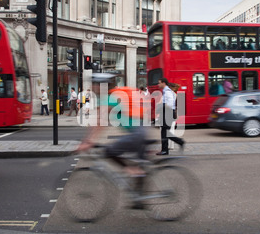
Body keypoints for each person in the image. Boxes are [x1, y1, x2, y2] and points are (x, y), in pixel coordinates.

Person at [77, 73, 150, 208]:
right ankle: (139, 199)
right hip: (142, 130)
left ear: (100, 85)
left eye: (93, 84)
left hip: (137, 134)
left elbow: (100, 122)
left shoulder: (109, 98)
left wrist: (88, 142)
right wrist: (89, 140)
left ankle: (131, 170)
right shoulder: (113, 96)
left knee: (109, 151)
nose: (91, 87)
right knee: (141, 166)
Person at [156, 77, 185, 155]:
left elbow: (169, 104)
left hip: (167, 113)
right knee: (165, 132)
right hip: (166, 113)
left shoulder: (168, 92)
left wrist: (161, 106)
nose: (158, 84)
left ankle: (166, 149)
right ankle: (165, 149)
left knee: (165, 132)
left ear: (163, 83)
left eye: (159, 83)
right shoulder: (166, 91)